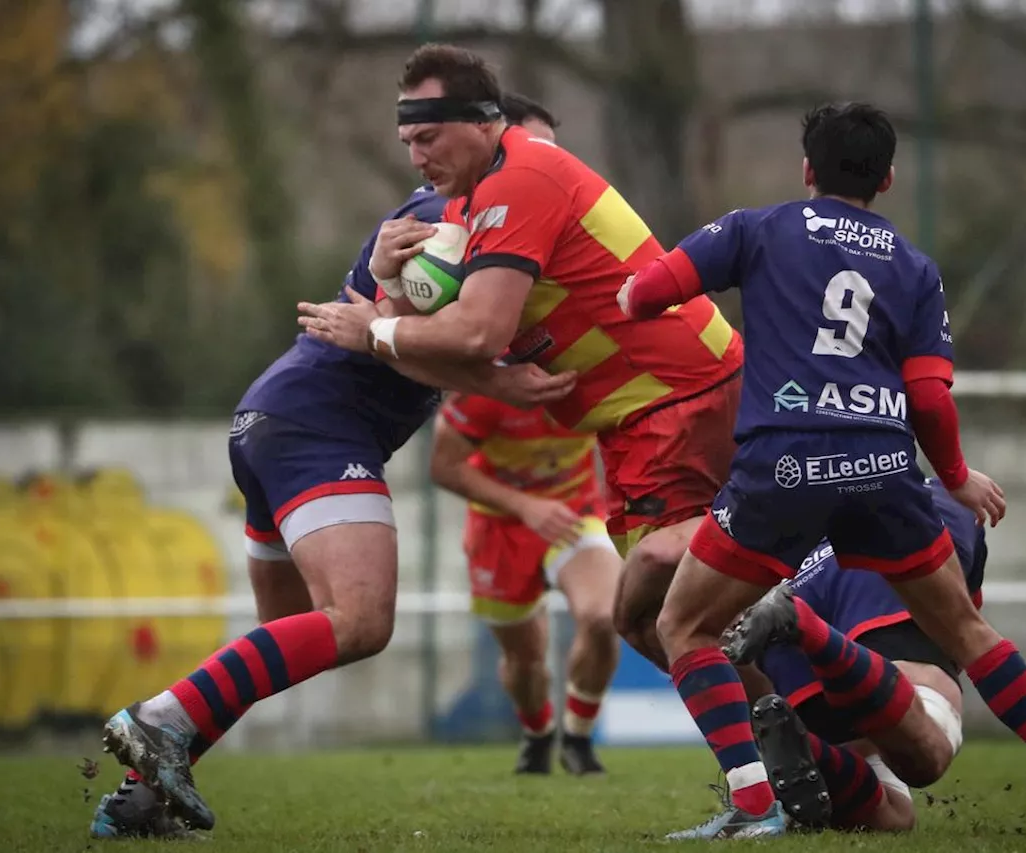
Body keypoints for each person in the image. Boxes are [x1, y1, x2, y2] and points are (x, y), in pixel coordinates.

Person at [618, 101, 1026, 839]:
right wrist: (957, 474)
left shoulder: (758, 228)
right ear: (889, 178)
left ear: (808, 169)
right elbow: (929, 396)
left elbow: (647, 293)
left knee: (684, 624)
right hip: (884, 466)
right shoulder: (914, 267)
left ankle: (752, 804)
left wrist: (632, 295)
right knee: (966, 629)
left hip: (786, 464)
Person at [91, 95, 573, 838]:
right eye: (533, 154)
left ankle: (138, 800)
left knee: (286, 637)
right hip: (317, 425)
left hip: (273, 421)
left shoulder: (489, 233)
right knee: (361, 620)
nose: (547, 175)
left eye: (556, 161)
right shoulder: (445, 219)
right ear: (490, 141)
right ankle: (160, 718)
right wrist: (485, 365)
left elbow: (428, 339)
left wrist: (494, 370)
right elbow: (411, 328)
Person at [295, 44, 744, 678]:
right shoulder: (462, 212)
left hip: (673, 403)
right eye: (407, 142)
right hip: (645, 417)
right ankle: (815, 751)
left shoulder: (519, 182)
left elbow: (474, 333)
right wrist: (386, 283)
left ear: (483, 121)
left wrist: (376, 331)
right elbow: (434, 348)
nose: (417, 156)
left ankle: (816, 751)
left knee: (667, 615)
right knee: (663, 618)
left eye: (429, 137)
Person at [731, 479, 982, 832]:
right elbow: (968, 631)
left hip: (780, 598)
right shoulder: (947, 496)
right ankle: (805, 626)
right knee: (927, 756)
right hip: (872, 559)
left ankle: (812, 749)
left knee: (894, 818)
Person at [431, 393, 619, 774]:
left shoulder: (593, 372)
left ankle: (578, 739)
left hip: (574, 515)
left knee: (602, 617)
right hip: (498, 528)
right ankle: (538, 732)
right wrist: (525, 506)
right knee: (525, 659)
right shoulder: (486, 387)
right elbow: (442, 467)